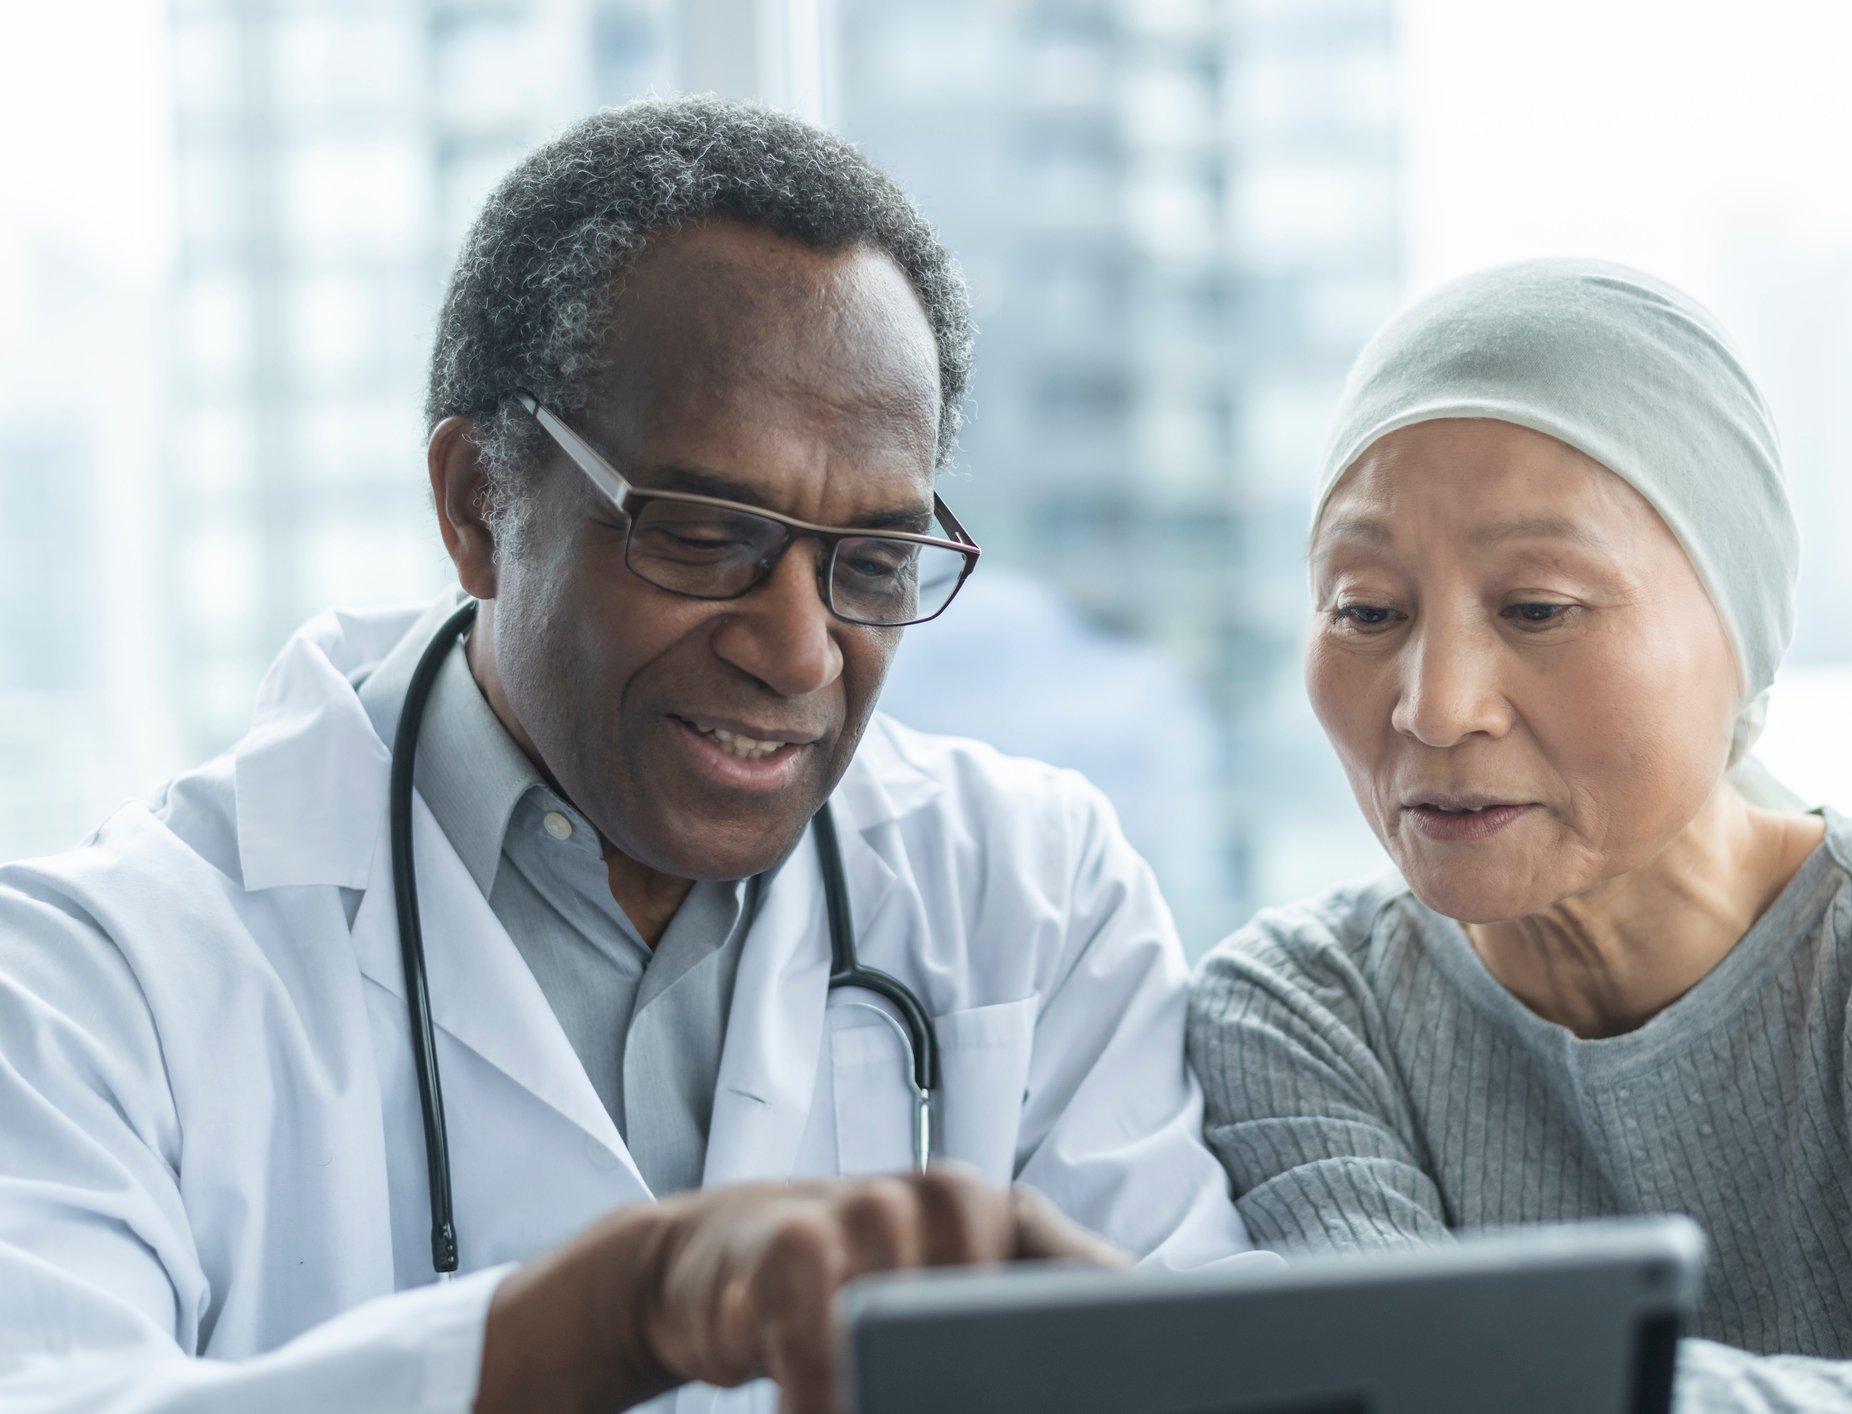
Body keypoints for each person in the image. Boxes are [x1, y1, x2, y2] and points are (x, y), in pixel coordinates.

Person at [0, 98, 1251, 1414]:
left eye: (873, 564)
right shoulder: (92, 980)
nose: (801, 654)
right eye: (706, 534)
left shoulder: (1032, 895)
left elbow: (1216, 1385)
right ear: (478, 501)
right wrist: (619, 1309)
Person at [1187, 258, 1852, 1408]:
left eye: (1538, 608)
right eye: (1366, 611)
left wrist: (1559, 1380)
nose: (1434, 706)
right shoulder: (1304, 1007)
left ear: (1743, 634)